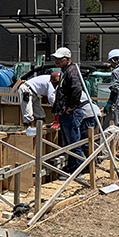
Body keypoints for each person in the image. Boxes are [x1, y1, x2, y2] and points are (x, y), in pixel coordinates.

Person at [50, 46, 89, 176]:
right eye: (56, 58)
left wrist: (71, 107)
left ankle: (78, 171)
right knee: (69, 144)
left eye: (60, 59)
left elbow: (76, 89)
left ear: (67, 59)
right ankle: (74, 169)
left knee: (74, 143)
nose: (56, 61)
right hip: (66, 113)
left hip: (71, 113)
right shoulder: (65, 71)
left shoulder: (71, 71)